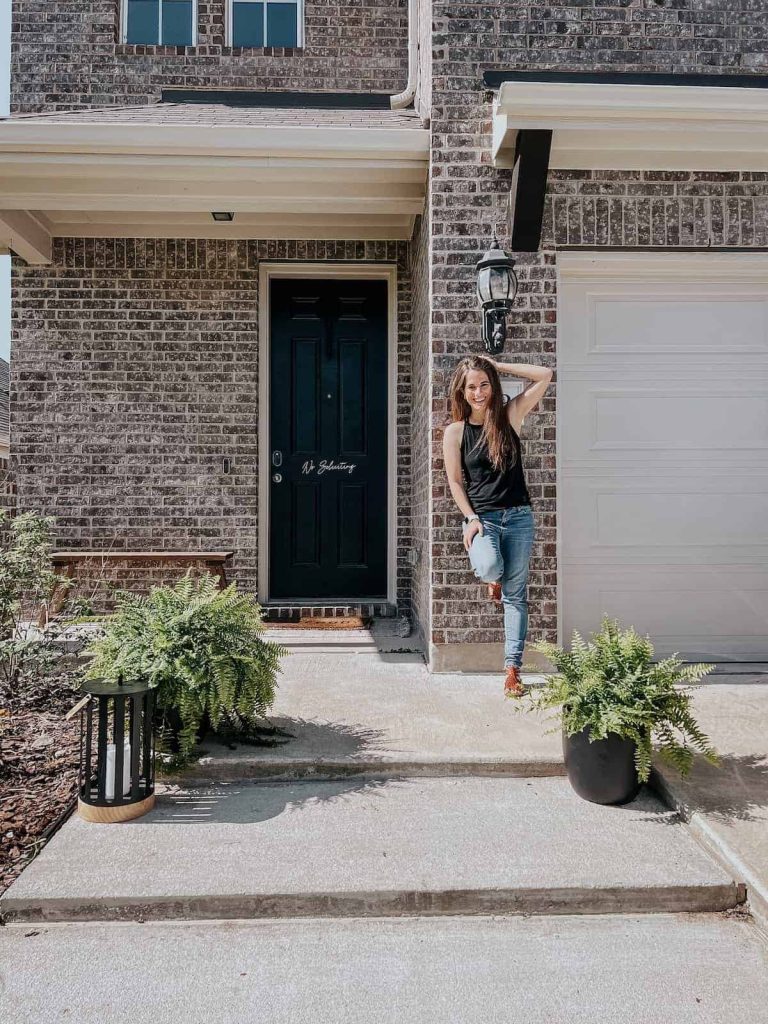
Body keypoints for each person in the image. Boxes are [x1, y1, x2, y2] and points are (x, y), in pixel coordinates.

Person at [442, 355, 553, 695]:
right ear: (462, 392)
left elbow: (545, 374)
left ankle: (512, 670)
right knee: (490, 566)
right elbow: (456, 482)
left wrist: (496, 364)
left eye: (484, 384)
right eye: (471, 387)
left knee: (516, 597)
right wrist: (470, 519)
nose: (478, 393)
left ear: (492, 385)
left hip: (518, 516)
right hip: (484, 520)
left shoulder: (509, 416)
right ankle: (494, 581)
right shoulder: (455, 432)